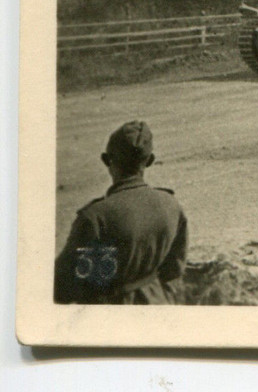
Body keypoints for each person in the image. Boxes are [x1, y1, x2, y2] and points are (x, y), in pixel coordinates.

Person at [54, 121, 188, 304]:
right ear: (150, 161)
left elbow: (63, 286)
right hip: (157, 303)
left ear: (106, 160)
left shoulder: (95, 216)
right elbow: (175, 269)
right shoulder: (171, 204)